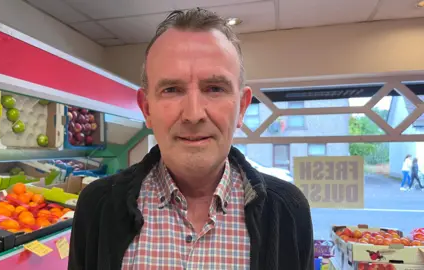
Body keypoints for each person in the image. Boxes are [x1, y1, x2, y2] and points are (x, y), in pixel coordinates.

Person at [69, 8, 314, 270]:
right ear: (147, 109)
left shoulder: (288, 211)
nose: (193, 114)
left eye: (215, 89)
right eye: (172, 89)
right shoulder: (97, 207)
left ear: (241, 107)